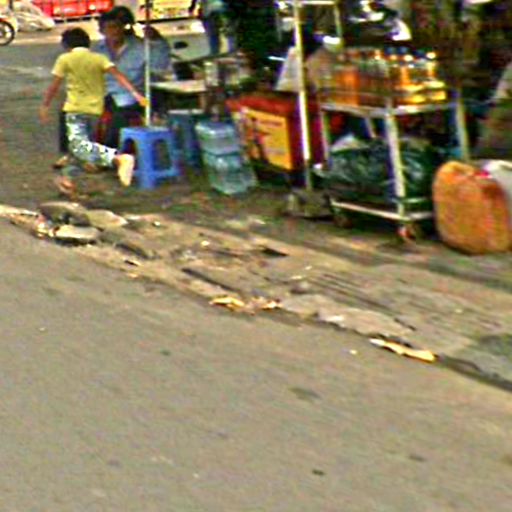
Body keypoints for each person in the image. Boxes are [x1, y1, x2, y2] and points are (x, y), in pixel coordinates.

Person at [40, 27, 147, 196]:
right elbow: (119, 76)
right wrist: (136, 94)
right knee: (78, 144)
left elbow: (54, 85)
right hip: (97, 107)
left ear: (66, 45)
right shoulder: (99, 58)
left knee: (78, 145)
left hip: (76, 107)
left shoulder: (65, 59)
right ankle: (69, 181)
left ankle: (117, 159)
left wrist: (45, 104)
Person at [94, 8, 171, 147]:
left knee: (121, 110)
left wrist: (158, 41)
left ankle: (111, 150)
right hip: (104, 94)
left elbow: (160, 66)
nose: (115, 31)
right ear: (102, 31)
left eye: (117, 26)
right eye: (110, 27)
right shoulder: (97, 50)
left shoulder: (140, 46)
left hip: (132, 95)